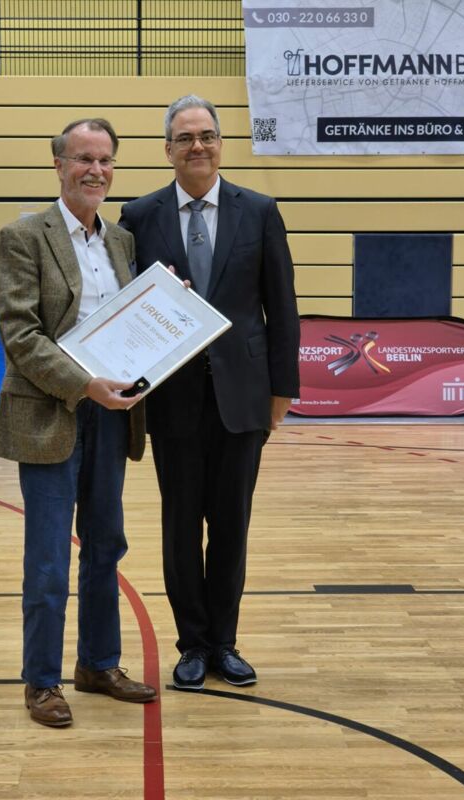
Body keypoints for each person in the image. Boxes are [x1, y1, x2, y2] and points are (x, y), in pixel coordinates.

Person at [119, 95, 300, 691]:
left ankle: (224, 641)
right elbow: (125, 308)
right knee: (180, 527)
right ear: (167, 149)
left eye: (206, 135)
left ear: (221, 143)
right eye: (184, 138)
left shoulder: (260, 211)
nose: (196, 146)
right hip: (172, 399)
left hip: (242, 399)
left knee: (231, 526)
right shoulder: (138, 216)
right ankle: (192, 644)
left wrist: (282, 391)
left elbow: (282, 307)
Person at [0, 118, 156, 728]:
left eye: (106, 160)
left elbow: (131, 323)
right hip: (49, 412)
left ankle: (98, 664)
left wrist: (167, 306)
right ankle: (41, 681)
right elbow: (20, 334)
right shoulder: (23, 236)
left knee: (106, 545)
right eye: (84, 158)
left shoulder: (122, 242)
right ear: (59, 165)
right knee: (48, 558)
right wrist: (84, 384)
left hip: (111, 417)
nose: (96, 170)